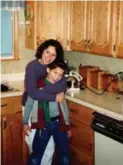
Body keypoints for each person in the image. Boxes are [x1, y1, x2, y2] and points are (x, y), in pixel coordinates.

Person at [22, 39, 67, 165]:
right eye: (47, 52)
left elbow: (62, 86)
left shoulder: (55, 67)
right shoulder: (32, 66)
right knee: (35, 146)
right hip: (32, 108)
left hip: (49, 111)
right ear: (42, 50)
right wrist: (53, 97)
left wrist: (42, 89)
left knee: (49, 148)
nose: (49, 57)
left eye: (53, 54)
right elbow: (33, 93)